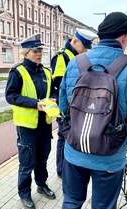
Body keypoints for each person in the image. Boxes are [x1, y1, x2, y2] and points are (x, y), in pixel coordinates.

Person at [58, 12, 127, 209]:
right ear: (125, 36)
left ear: (99, 37)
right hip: (110, 156)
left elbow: (63, 107)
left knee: (71, 203)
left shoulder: (75, 63)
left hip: (74, 150)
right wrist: (121, 139)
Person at [5, 34, 57, 209]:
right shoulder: (18, 71)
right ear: (26, 52)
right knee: (27, 162)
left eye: (41, 50)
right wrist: (35, 104)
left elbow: (54, 92)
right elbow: (11, 96)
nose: (39, 53)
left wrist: (53, 100)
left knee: (42, 158)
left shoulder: (46, 72)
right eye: (36, 50)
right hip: (27, 127)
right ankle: (24, 193)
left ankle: (41, 185)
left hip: (45, 124)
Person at [51, 28, 97, 178]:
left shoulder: (77, 56)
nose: (84, 51)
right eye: (83, 47)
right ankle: (61, 170)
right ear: (75, 41)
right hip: (66, 107)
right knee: (63, 138)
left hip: (76, 105)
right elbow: (58, 82)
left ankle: (69, 168)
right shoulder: (62, 56)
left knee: (72, 137)